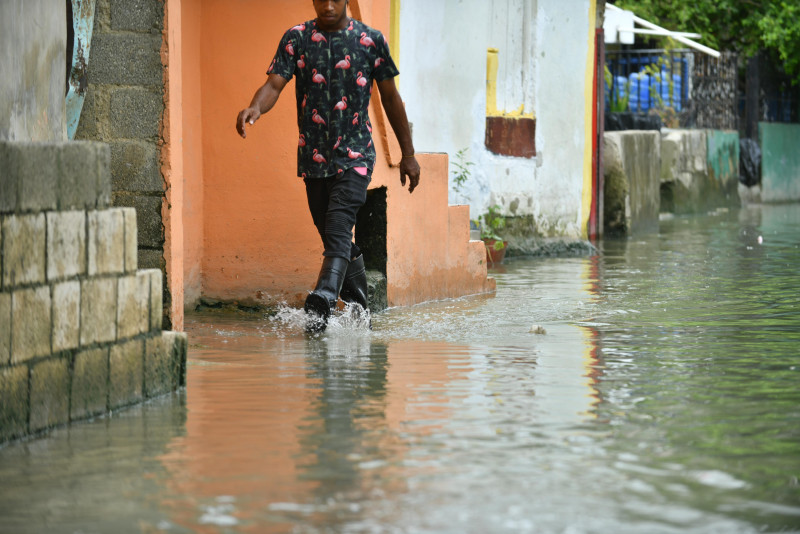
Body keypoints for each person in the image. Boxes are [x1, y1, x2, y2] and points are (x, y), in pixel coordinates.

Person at [236, 0, 420, 332]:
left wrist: (408, 154)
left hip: (355, 157)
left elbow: (391, 98)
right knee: (334, 240)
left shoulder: (370, 41)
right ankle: (361, 310)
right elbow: (274, 84)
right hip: (313, 158)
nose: (329, 5)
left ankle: (322, 298)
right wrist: (255, 108)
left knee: (337, 229)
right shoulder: (297, 38)